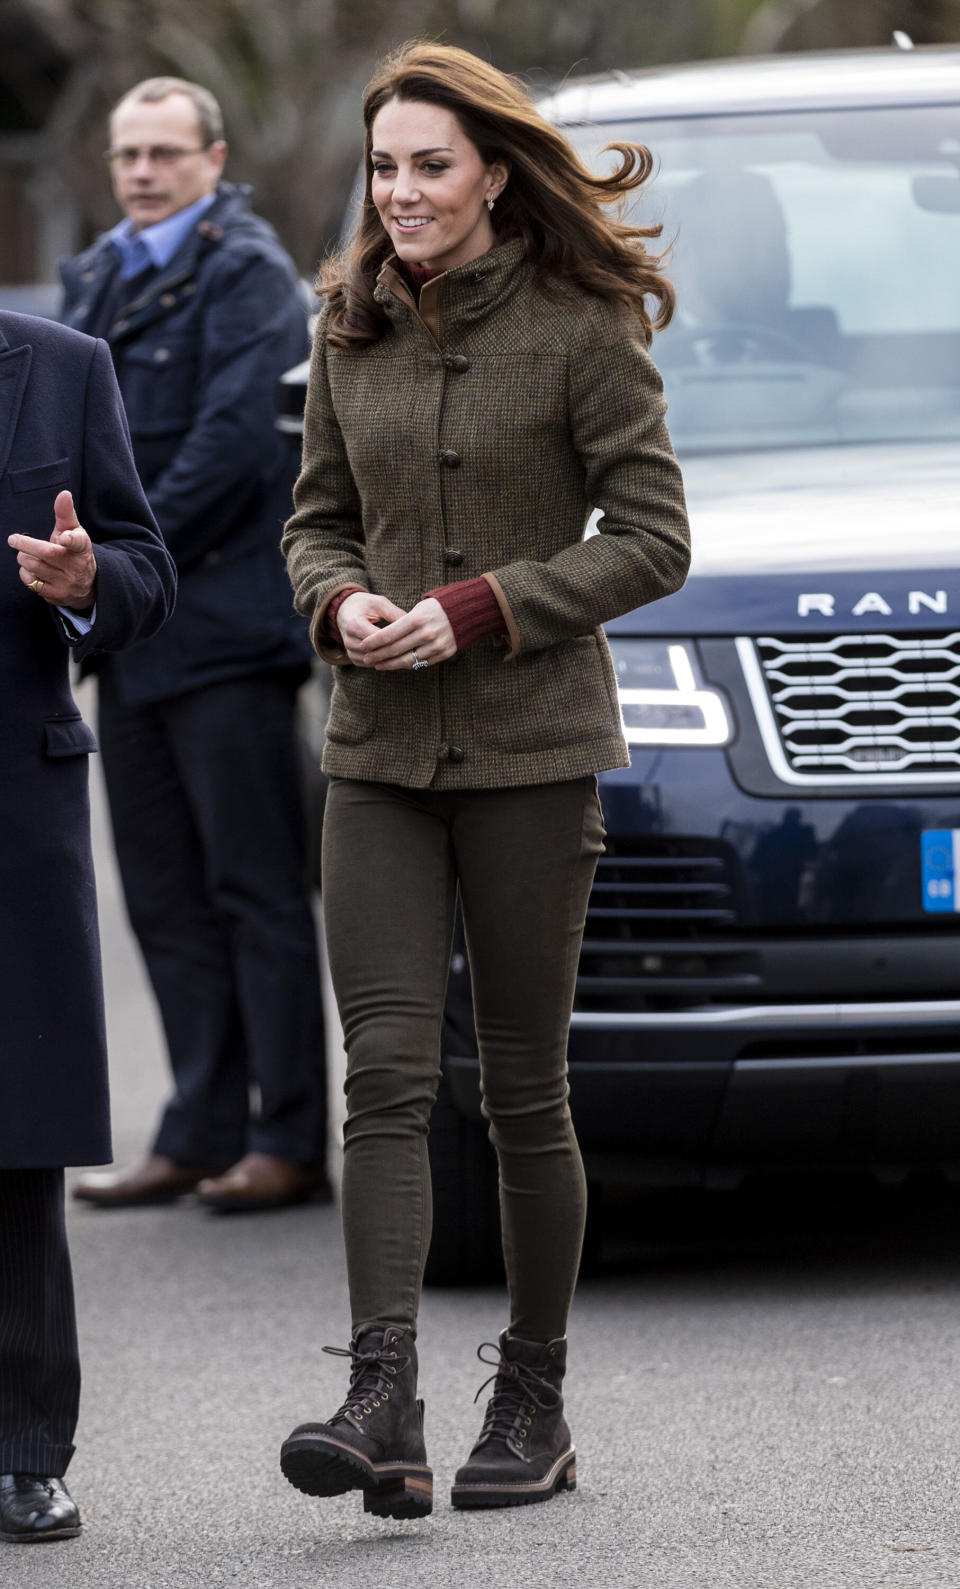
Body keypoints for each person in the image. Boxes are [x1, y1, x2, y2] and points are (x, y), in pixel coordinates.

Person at [278, 42, 691, 1518]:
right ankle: (380, 1394)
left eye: (428, 166)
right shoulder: (349, 323)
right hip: (378, 757)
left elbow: (653, 537)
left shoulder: (582, 328)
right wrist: (340, 604)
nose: (399, 193)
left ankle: (534, 1395)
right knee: (385, 1077)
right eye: (383, 168)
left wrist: (479, 606)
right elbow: (314, 521)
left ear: (495, 175)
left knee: (522, 1089)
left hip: (529, 752)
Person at [63, 77, 331, 1213]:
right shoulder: (94, 272)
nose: (142, 171)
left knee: (253, 889)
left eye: (165, 152)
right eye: (128, 152)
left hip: (218, 629)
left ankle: (288, 1136)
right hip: (125, 639)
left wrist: (116, 559)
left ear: (214, 160)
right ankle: (195, 1125)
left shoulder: (248, 273)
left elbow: (232, 447)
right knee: (164, 896)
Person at [0, 310, 176, 1543]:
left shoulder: (63, 365)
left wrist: (85, 587)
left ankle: (23, 1450)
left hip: (14, 798)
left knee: (18, 1140)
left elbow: (142, 567)